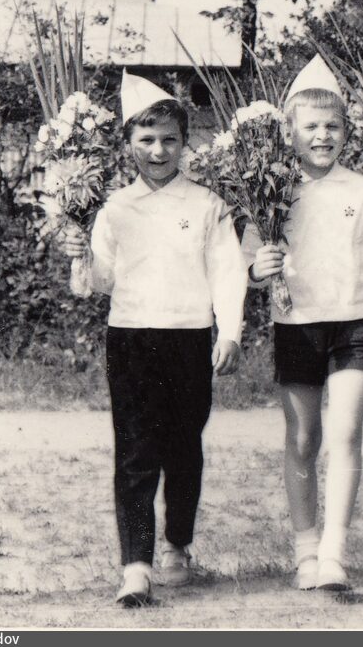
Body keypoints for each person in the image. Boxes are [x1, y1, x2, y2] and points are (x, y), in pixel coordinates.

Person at [60, 72, 247, 606]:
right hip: (132, 340)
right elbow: (99, 282)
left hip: (189, 338)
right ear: (128, 143)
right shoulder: (114, 207)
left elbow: (227, 271)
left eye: (169, 139)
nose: (158, 150)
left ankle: (177, 543)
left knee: (184, 447)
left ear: (184, 142)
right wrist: (81, 255)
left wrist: (229, 331)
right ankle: (136, 566)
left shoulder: (207, 204)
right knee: (136, 450)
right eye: (146, 139)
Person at [243, 55, 363, 592]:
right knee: (303, 437)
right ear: (289, 131)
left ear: (345, 132)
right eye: (310, 126)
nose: (322, 136)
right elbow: (246, 263)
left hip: (354, 325)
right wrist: (257, 269)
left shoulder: (362, 190)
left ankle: (335, 551)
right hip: (297, 325)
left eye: (332, 126)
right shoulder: (268, 190)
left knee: (346, 432)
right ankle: (305, 549)